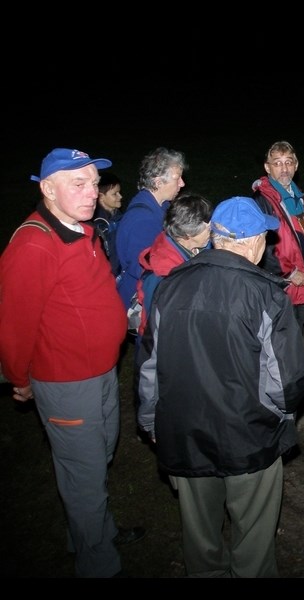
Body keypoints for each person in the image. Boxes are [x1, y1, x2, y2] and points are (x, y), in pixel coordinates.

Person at [137, 196, 304, 578]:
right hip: (248, 439)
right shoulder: (266, 294)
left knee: (200, 537)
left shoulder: (169, 287)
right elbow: (287, 383)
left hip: (184, 435)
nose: (268, 242)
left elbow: (149, 364)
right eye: (265, 235)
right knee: (253, 536)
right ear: (250, 241)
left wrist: (152, 422)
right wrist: (276, 419)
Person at [0, 148, 144, 578]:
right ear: (47, 188)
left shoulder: (81, 229)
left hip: (101, 372)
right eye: (77, 183)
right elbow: (13, 324)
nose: (91, 192)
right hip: (66, 382)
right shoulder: (33, 245)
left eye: (94, 183)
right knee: (84, 475)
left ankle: (89, 532)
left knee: (97, 458)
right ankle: (98, 563)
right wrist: (18, 379)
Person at [251, 140, 304, 325]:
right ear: (268, 168)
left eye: (288, 162)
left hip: (299, 276)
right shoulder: (263, 200)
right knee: (281, 339)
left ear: (296, 166)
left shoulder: (299, 198)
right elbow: (262, 245)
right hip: (279, 283)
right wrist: (289, 273)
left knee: (294, 335)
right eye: (277, 163)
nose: (284, 169)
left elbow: (298, 236)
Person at [133, 193, 212, 340]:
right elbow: (159, 323)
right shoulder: (162, 276)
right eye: (206, 228)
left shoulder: (191, 245)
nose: (212, 230)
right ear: (188, 234)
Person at [115, 147, 187, 307]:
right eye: (177, 178)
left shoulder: (162, 206)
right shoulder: (143, 220)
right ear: (158, 182)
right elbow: (145, 271)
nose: (182, 183)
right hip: (142, 301)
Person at [92, 171, 124, 277]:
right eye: (115, 194)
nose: (120, 196)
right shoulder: (98, 224)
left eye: (119, 192)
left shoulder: (118, 216)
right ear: (101, 197)